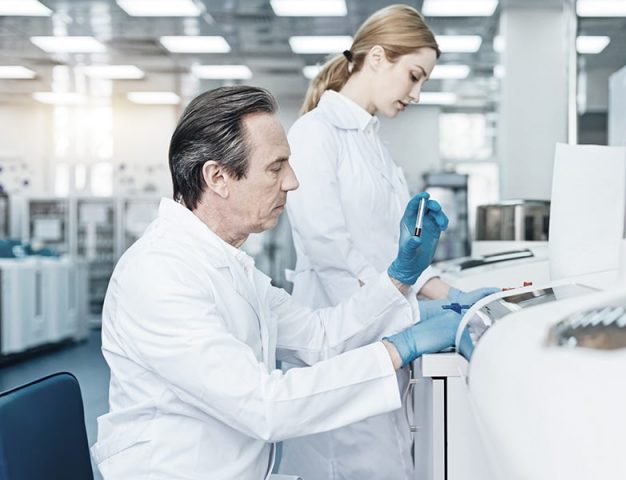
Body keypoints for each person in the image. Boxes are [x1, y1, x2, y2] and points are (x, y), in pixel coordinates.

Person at [90, 85, 462, 479]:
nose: (293, 181)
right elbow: (265, 406)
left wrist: (399, 278)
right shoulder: (160, 274)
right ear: (217, 177)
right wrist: (397, 349)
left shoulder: (228, 264)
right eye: (275, 167)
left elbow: (320, 337)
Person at [281, 5, 498, 479]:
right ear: (377, 57)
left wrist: (454, 298)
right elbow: (332, 254)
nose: (417, 94)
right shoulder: (316, 134)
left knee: (392, 461)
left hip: (380, 335)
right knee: (356, 465)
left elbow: (400, 258)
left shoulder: (374, 145)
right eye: (414, 76)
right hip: (339, 341)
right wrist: (411, 315)